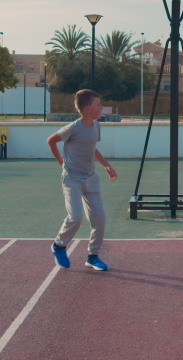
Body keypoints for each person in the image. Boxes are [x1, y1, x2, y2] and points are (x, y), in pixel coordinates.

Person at [47, 89, 117, 271]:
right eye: (98, 105)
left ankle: (93, 257)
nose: (101, 107)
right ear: (87, 109)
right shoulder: (73, 128)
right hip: (72, 179)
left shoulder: (96, 126)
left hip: (91, 178)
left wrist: (106, 165)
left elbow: (91, 148)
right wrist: (61, 162)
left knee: (100, 219)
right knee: (75, 217)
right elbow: (51, 141)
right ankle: (59, 245)